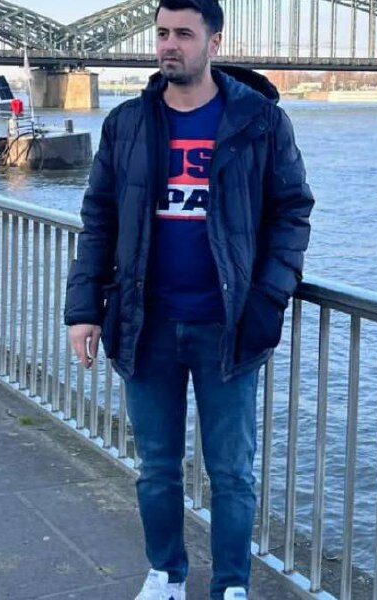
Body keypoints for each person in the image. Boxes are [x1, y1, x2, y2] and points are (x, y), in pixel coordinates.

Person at [64, 1, 314, 598]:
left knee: (231, 471)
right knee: (155, 467)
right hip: (145, 323)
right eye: (161, 33)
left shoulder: (260, 122)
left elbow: (292, 213)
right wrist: (83, 310)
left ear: (213, 42)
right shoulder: (127, 123)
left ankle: (230, 585)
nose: (169, 45)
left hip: (228, 324)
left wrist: (268, 299)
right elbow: (99, 220)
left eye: (183, 33)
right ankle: (166, 574)